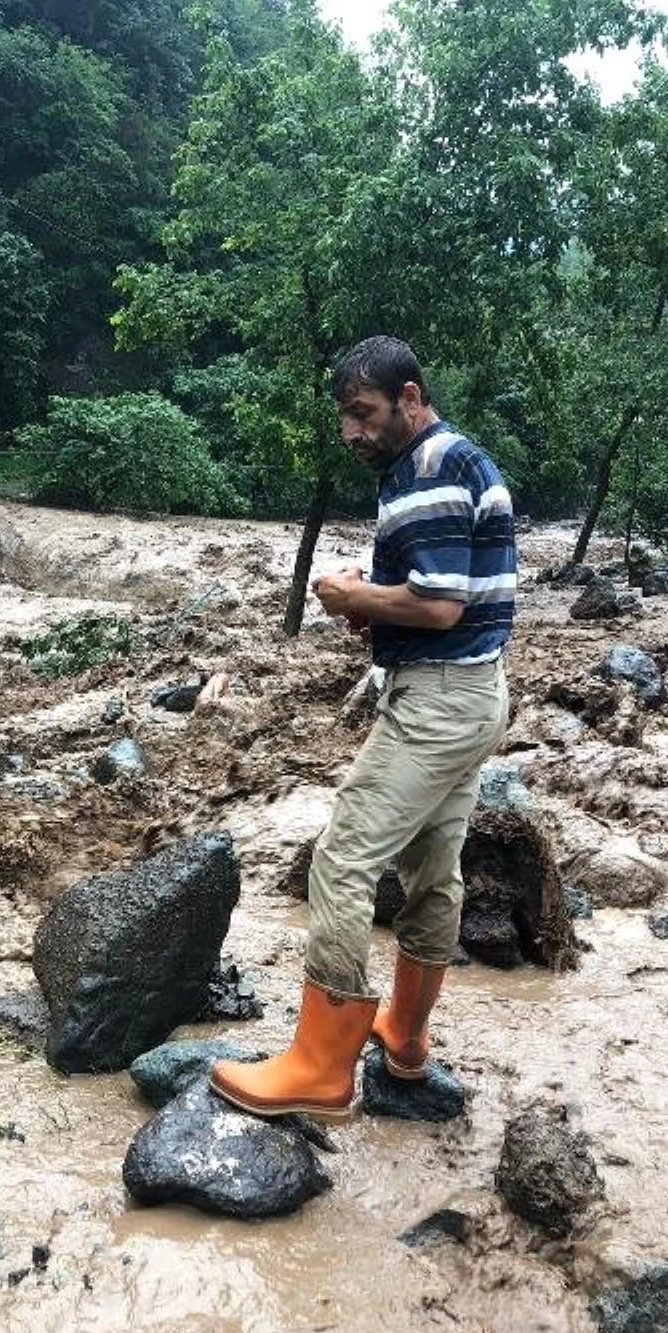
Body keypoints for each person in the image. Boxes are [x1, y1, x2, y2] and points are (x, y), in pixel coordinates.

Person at [210, 335, 516, 1118]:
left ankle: (320, 1065)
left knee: (342, 860)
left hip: (440, 701)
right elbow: (449, 599)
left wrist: (353, 598)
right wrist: (377, 602)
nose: (351, 431)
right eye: (345, 416)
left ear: (410, 399)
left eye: (364, 413)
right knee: (431, 868)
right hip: (475, 691)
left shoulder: (430, 468)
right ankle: (405, 1040)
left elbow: (439, 603)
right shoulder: (451, 461)